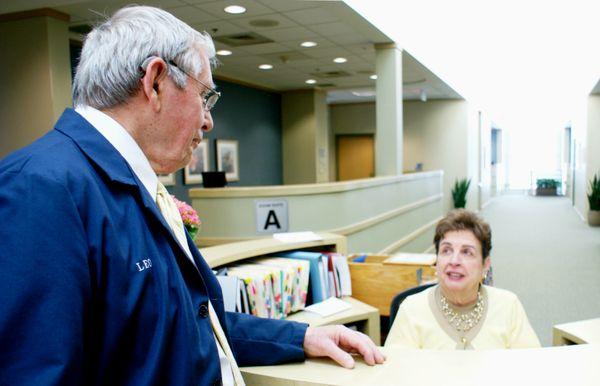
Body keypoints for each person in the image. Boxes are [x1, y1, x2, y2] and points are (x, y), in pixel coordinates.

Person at [0, 6, 383, 386]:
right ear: (155, 82)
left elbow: (190, 322)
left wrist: (301, 336)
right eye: (206, 97)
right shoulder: (40, 187)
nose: (208, 120)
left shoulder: (138, 186)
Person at [386, 209, 540, 350]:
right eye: (446, 250)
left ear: (485, 265)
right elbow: (396, 375)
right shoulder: (411, 309)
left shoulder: (508, 306)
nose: (454, 261)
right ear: (437, 260)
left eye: (467, 252)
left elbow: (530, 369)